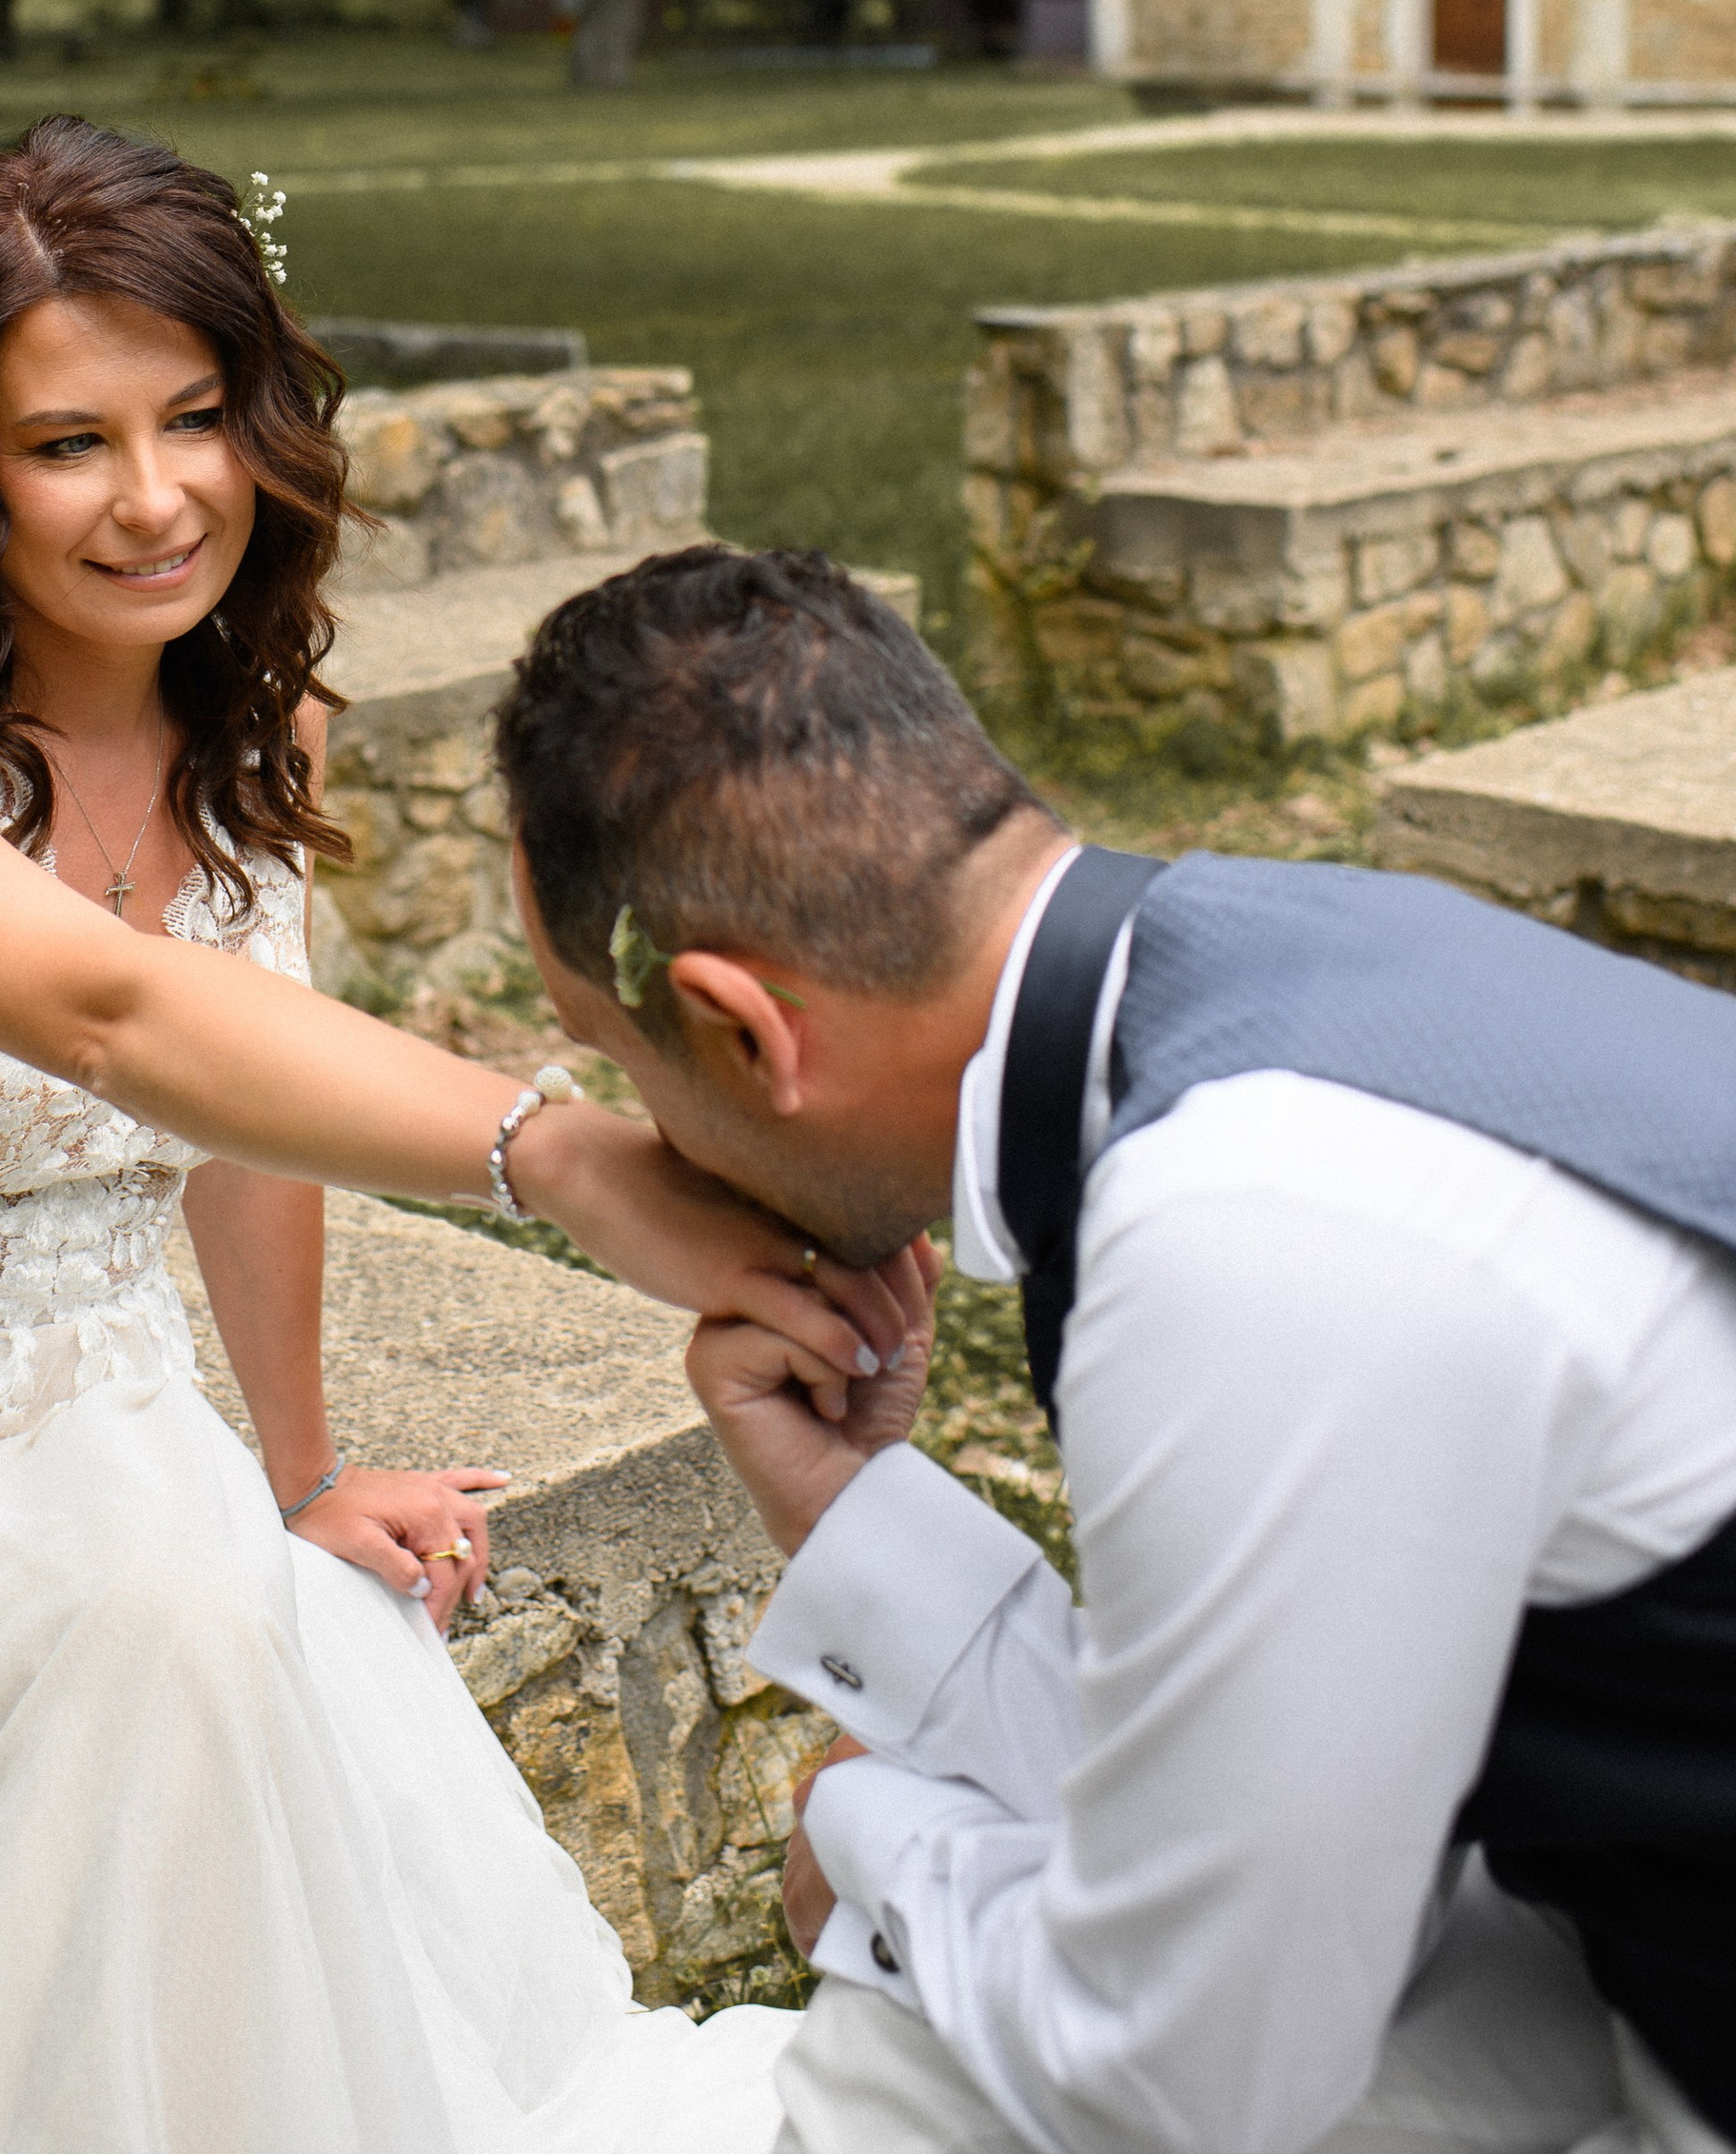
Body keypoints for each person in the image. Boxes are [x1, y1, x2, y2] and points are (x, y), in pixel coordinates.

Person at [0, 123, 897, 2154]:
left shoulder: (249, 723)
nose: (153, 496)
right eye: (64, 443)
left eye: (194, 415)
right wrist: (558, 1153)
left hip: (84, 1420)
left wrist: (294, 1468)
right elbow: (119, 1019)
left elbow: (232, 1105)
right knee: (157, 1643)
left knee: (203, 1615)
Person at [491, 542, 1736, 2154]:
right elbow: (1272, 1818)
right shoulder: (1264, 974)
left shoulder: (1258, 1231)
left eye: (618, 1059)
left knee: (908, 2061)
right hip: (1639, 1952)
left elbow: (1189, 2074)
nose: (650, 1138)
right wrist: (851, 1502)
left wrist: (873, 1837)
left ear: (746, 1030)